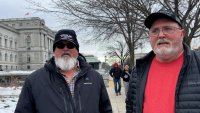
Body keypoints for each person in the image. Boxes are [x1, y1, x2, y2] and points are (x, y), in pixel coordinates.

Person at [15, 29, 112, 113]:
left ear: (77, 51)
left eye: (70, 45)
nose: (65, 49)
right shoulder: (34, 80)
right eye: (60, 45)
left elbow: (106, 110)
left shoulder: (95, 78)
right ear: (54, 51)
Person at [126, 7, 200, 113]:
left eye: (168, 29)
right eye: (155, 31)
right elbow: (130, 106)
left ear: (182, 34)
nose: (161, 35)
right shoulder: (138, 70)